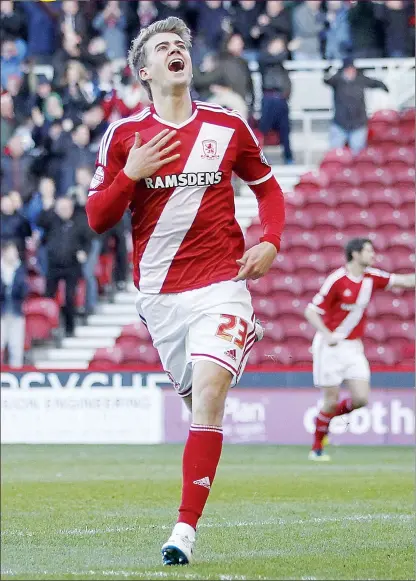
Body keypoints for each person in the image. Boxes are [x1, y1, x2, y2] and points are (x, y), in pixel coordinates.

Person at [86, 16, 284, 566]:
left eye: (181, 45)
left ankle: (183, 532)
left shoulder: (228, 126)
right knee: (199, 401)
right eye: (162, 48)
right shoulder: (124, 137)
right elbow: (98, 218)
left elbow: (269, 191)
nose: (176, 51)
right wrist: (131, 174)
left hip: (223, 283)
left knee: (212, 391)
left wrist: (271, 241)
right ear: (144, 71)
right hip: (161, 299)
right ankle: (232, 343)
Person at [304, 238, 415, 461]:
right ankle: (317, 448)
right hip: (330, 347)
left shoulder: (372, 278)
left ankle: (322, 422)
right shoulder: (337, 280)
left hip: (353, 347)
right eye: (368, 251)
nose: (373, 255)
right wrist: (327, 334)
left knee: (361, 399)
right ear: (355, 254)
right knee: (331, 400)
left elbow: (405, 281)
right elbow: (311, 311)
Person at [37, 196, 90, 336]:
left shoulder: (80, 222)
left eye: (66, 208)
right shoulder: (51, 221)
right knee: (49, 296)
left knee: (69, 297)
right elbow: (39, 222)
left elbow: (88, 240)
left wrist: (84, 252)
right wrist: (47, 208)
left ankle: (69, 328)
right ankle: (48, 328)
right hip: (53, 266)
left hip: (72, 266)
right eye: (61, 208)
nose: (64, 211)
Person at [325, 57, 389, 155]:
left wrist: (384, 86)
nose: (350, 71)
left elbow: (374, 83)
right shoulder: (337, 80)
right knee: (335, 153)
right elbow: (326, 80)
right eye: (348, 69)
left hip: (358, 123)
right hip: (340, 123)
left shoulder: (361, 79)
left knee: (358, 154)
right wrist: (326, 70)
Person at [258, 36, 293, 164]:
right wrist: (287, 50)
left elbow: (287, 83)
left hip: (281, 100)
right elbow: (277, 58)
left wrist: (286, 94)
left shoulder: (280, 65)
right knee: (264, 130)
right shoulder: (264, 58)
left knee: (285, 130)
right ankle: (259, 157)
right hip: (269, 99)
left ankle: (289, 158)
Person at [0, 240, 28, 368]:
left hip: (16, 313)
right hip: (2, 313)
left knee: (16, 346)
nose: (14, 254)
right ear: (4, 252)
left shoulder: (20, 269)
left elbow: (24, 290)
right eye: (12, 251)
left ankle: (16, 373)